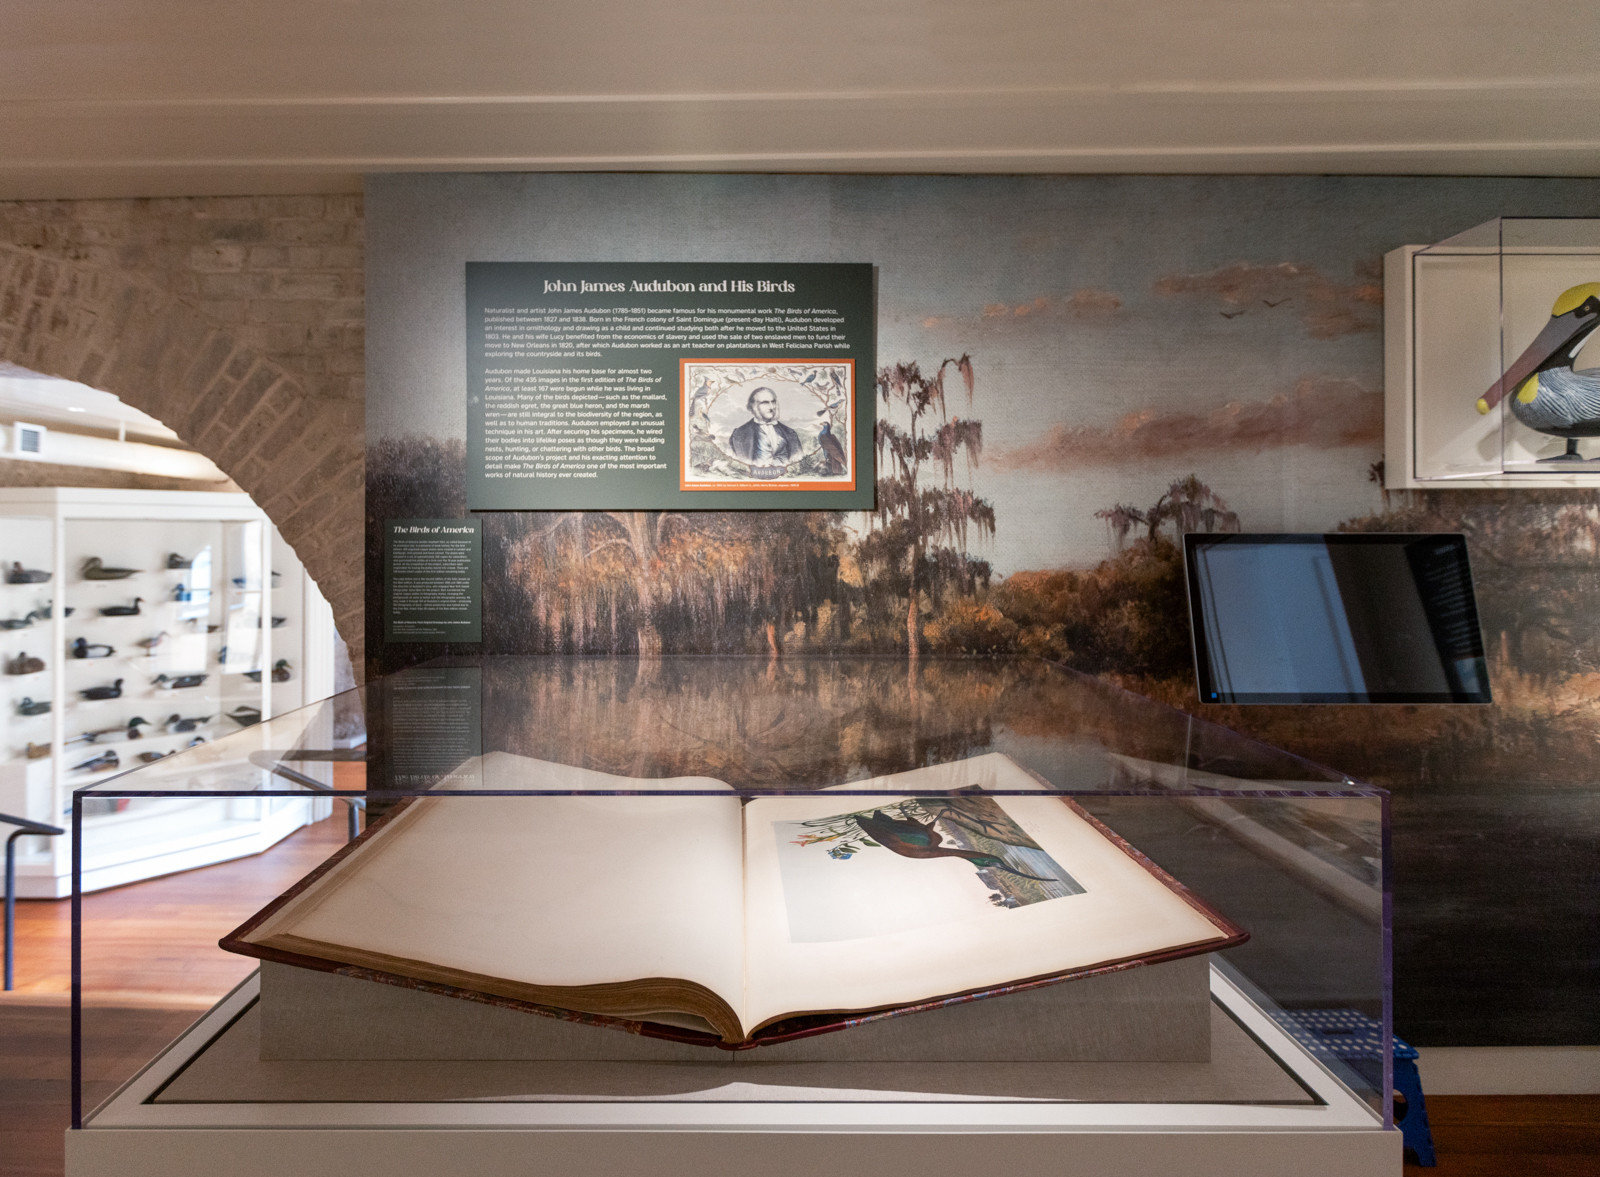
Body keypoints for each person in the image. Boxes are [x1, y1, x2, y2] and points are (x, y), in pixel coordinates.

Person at [728, 386, 802, 465]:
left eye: (773, 402)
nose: (771, 407)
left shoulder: (790, 433)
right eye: (765, 403)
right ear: (754, 406)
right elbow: (733, 463)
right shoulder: (738, 434)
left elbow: (800, 461)